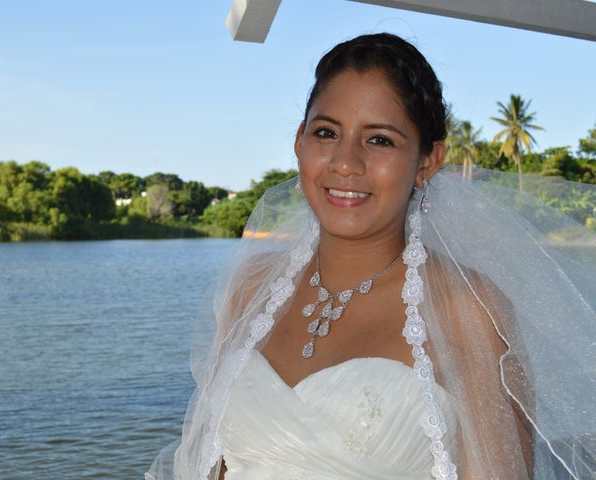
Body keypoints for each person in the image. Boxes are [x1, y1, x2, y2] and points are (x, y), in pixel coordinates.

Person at [147, 33, 596, 480]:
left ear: (428, 160)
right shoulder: (249, 287)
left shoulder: (467, 308)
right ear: (300, 141)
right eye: (326, 132)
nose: (346, 162)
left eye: (379, 140)